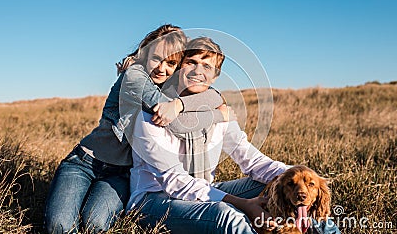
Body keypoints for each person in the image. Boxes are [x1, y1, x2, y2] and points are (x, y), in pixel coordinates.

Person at [126, 37, 341, 234]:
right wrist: (243, 204)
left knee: (287, 189)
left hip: (205, 189)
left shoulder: (219, 113)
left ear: (215, 75)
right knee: (227, 215)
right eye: (191, 62)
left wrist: (302, 180)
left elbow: (250, 159)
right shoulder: (152, 113)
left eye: (207, 66)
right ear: (180, 65)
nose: (197, 71)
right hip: (155, 200)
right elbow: (176, 182)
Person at [44, 25, 228, 234]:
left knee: (95, 225)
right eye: (156, 58)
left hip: (121, 174)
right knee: (59, 227)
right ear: (144, 54)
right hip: (85, 163)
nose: (161, 68)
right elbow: (177, 123)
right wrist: (217, 114)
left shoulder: (172, 89)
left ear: (177, 67)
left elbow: (213, 94)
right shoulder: (134, 75)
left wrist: (185, 103)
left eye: (170, 63)